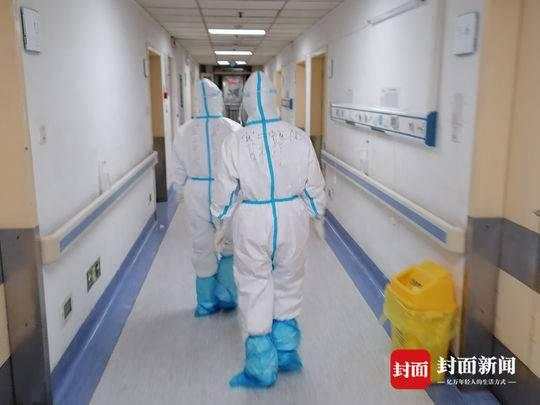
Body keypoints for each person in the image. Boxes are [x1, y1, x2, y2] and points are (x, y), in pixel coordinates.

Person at [211, 71, 326, 388]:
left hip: (252, 220)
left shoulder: (235, 142)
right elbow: (314, 185)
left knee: (254, 284)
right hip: (292, 219)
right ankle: (287, 353)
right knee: (289, 279)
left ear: (247, 103)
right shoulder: (298, 137)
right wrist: (315, 213)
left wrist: (220, 221)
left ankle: (261, 368)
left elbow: (224, 192)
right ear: (274, 100)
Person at [173, 79, 241, 317]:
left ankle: (206, 302)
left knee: (202, 244)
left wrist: (180, 190)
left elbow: (178, 171)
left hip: (196, 191)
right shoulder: (233, 128)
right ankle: (228, 296)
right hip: (227, 190)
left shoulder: (183, 131)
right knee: (230, 243)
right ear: (218, 99)